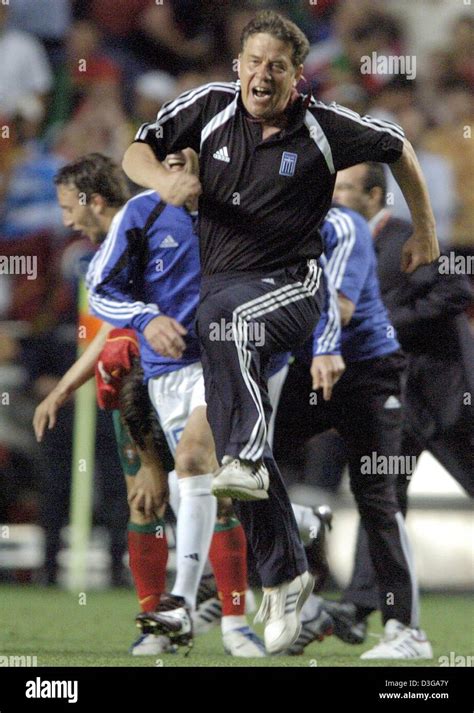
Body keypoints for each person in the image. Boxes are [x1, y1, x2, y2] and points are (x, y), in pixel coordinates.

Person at [122, 9, 440, 653]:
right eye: (254, 61)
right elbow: (137, 151)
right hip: (224, 301)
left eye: (278, 65)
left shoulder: (324, 128)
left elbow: (397, 146)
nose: (262, 75)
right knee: (239, 449)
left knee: (333, 475)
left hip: (295, 293)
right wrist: (166, 180)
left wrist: (428, 230)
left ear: (298, 76)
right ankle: (289, 574)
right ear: (237, 64)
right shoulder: (208, 106)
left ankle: (403, 625)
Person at [34, 152, 265, 658]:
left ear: (93, 199)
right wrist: (63, 389)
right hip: (141, 392)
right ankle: (158, 616)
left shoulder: (185, 217)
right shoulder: (128, 235)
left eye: (68, 206)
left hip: (189, 372)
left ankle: (224, 615)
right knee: (148, 501)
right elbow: (114, 324)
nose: (66, 218)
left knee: (208, 485)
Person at [322, 162, 473, 645]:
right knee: (381, 499)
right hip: (396, 403)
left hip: (449, 398)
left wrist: (389, 320)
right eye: (335, 188)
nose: (337, 196)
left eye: (347, 188)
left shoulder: (411, 236)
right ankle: (357, 605)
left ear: (374, 196)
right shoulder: (339, 246)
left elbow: (458, 289)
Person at [273, 203, 433, 659]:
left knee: (377, 494)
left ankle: (407, 629)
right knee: (245, 464)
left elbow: (339, 310)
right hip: (308, 368)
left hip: (368, 371)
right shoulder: (268, 218)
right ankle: (305, 596)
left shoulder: (343, 226)